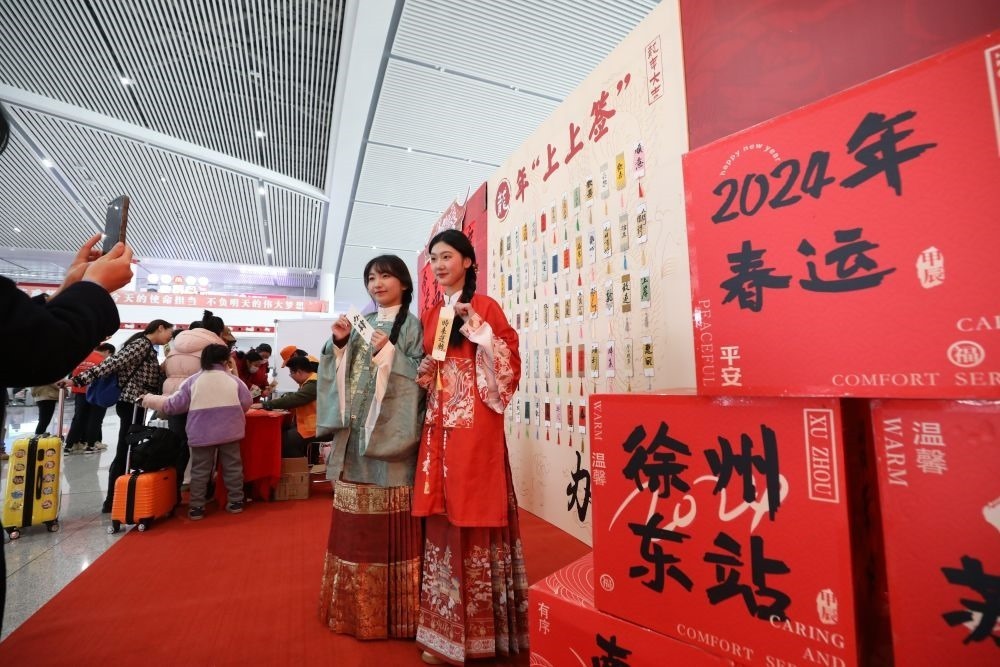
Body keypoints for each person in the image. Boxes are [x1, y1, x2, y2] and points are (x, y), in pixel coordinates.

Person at [412, 230, 526, 665]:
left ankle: (484, 632)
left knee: (473, 513)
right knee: (442, 516)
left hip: (475, 428)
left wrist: (478, 329)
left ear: (468, 262)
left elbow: (509, 361)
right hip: (439, 428)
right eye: (434, 259)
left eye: (447, 257)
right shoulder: (432, 314)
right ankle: (445, 631)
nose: (439, 265)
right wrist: (426, 369)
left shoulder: (485, 306)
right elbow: (435, 368)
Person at [316, 254, 426, 640]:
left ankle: (397, 612)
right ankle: (350, 605)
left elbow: (423, 376)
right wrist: (339, 343)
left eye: (385, 276)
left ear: (404, 283)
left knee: (388, 523)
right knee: (354, 525)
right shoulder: (360, 323)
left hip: (390, 441)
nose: (377, 284)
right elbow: (335, 369)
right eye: (371, 278)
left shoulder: (411, 325)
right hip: (354, 439)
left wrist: (392, 354)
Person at [65, 319, 173, 513]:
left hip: (136, 403)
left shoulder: (147, 347)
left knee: (128, 447)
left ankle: (119, 495)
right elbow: (111, 364)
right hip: (131, 403)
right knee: (125, 449)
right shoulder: (141, 345)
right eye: (169, 333)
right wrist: (78, 380)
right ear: (160, 328)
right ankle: (113, 499)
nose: (169, 338)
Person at [141, 344, 251, 520]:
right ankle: (236, 501)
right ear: (225, 360)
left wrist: (148, 399)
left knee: (200, 470)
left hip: (201, 433)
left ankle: (197, 507)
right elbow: (246, 402)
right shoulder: (234, 381)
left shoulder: (193, 381)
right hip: (230, 430)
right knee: (233, 467)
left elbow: (174, 405)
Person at [160, 310, 227, 503]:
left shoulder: (177, 344)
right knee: (205, 450)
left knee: (178, 447)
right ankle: (202, 494)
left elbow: (164, 370)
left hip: (175, 399)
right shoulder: (215, 346)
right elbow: (220, 377)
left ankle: (172, 495)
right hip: (201, 402)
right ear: (219, 331)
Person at [253, 354, 317, 457]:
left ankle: (298, 466)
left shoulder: (314, 383)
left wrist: (264, 404)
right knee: (284, 432)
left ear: (299, 372)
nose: (291, 376)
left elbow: (296, 399)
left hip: (317, 427)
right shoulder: (309, 382)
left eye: (291, 373)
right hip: (311, 424)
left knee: (284, 440)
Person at [64, 342, 115, 454]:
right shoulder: (104, 361)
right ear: (107, 352)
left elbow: (72, 375)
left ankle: (69, 445)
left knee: (78, 418)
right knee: (95, 419)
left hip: (80, 392)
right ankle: (90, 445)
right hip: (96, 393)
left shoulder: (82, 357)